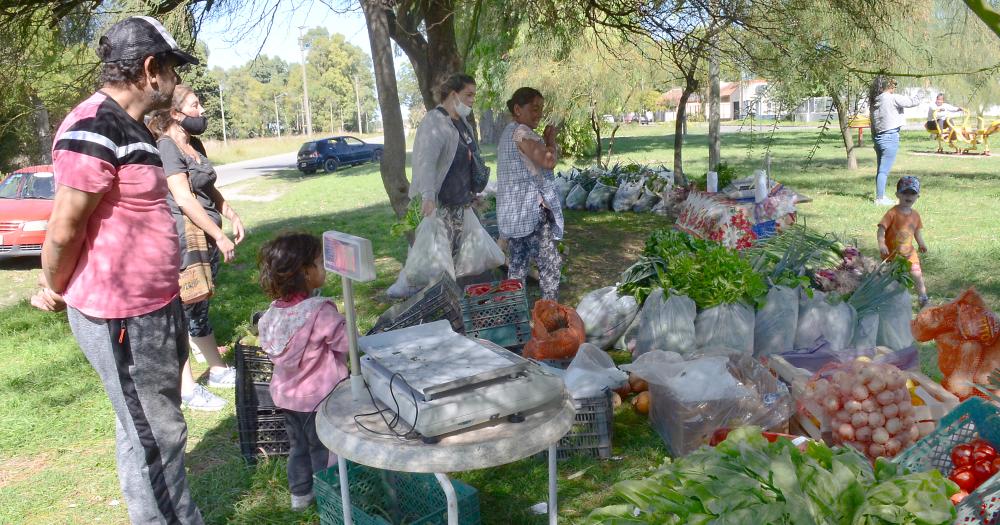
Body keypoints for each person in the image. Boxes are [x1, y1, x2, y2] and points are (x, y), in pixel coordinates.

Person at [30, 16, 204, 524]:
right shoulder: (92, 126)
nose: (175, 81)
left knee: (143, 429)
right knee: (159, 436)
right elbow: (64, 229)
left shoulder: (131, 127)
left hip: (154, 307)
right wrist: (53, 284)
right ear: (151, 69)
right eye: (172, 69)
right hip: (124, 320)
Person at [147, 85, 245, 411]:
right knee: (181, 309)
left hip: (206, 235)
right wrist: (218, 234)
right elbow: (184, 197)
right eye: (195, 104)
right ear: (175, 113)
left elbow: (208, 188)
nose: (201, 110)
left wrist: (231, 215)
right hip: (184, 239)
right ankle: (187, 389)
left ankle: (216, 370)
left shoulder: (195, 144)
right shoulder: (166, 147)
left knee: (199, 304)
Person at [256, 232, 348, 511]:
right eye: (320, 262)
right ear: (306, 273)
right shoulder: (320, 311)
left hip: (287, 397)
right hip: (318, 399)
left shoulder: (272, 313)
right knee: (321, 448)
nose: (325, 267)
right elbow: (347, 342)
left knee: (298, 447)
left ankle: (300, 495)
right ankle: (327, 496)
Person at [399, 73, 485, 296]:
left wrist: (472, 192)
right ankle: (438, 310)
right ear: (453, 94)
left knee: (460, 266)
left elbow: (466, 160)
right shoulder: (434, 122)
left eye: (474, 95)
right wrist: (427, 196)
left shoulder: (462, 123)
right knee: (440, 269)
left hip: (461, 206)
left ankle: (458, 309)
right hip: (439, 207)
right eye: (468, 95)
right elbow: (425, 163)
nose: (472, 100)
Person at [496, 87, 564, 300]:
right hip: (530, 212)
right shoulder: (521, 133)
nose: (539, 114)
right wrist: (551, 140)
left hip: (514, 215)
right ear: (518, 109)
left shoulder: (508, 132)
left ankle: (514, 316)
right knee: (550, 264)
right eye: (534, 108)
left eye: (541, 109)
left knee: (517, 266)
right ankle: (549, 313)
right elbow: (548, 161)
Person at [869, 75, 922, 206]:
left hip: (878, 138)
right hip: (890, 137)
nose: (895, 87)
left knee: (880, 170)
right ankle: (880, 199)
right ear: (889, 86)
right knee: (883, 171)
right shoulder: (892, 98)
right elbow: (912, 102)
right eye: (894, 85)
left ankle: (880, 195)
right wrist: (922, 91)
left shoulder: (874, 100)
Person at [877, 176, 929, 307]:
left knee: (917, 273)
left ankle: (923, 297)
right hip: (891, 254)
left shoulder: (915, 215)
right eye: (905, 192)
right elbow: (881, 229)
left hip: (909, 254)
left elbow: (917, 231)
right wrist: (882, 244)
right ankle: (886, 299)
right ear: (897, 194)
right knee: (889, 278)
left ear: (918, 196)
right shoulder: (892, 213)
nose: (909, 196)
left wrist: (921, 244)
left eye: (913, 193)